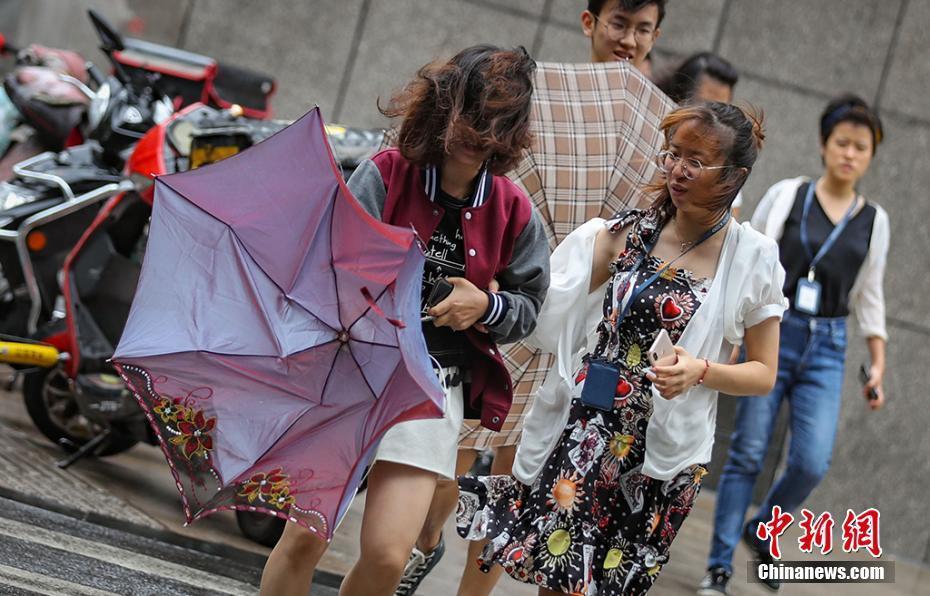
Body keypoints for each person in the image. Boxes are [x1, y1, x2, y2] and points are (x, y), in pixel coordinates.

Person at [456, 102, 785, 595]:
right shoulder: (620, 235)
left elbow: (763, 373)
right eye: (673, 153)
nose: (677, 169)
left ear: (735, 175)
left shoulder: (753, 258)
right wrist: (487, 299)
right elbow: (544, 312)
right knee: (559, 578)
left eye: (695, 161)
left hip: (657, 456)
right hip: (587, 430)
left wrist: (700, 370)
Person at [258, 45, 550, 596]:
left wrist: (484, 306)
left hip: (432, 386)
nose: (474, 131)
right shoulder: (387, 174)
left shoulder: (512, 209)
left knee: (390, 555)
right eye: (467, 112)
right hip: (351, 374)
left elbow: (530, 306)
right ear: (442, 106)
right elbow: (327, 268)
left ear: (510, 132)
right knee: (303, 539)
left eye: (493, 121)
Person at [448, 4, 669, 595]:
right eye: (619, 23)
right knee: (477, 463)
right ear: (588, 21)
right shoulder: (545, 100)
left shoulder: (658, 133)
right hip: (521, 306)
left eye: (643, 29)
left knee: (543, 492)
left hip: (592, 340)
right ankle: (430, 547)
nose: (629, 40)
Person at [700, 94, 889, 595]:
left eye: (861, 147)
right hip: (774, 330)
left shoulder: (875, 221)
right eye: (842, 143)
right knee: (747, 453)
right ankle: (718, 567)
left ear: (871, 156)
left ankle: (762, 529)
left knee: (811, 459)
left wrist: (877, 363)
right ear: (825, 145)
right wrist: (735, 334)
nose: (850, 154)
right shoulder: (789, 194)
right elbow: (747, 261)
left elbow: (870, 295)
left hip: (828, 344)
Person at [658, 52, 747, 218]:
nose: (711, 119)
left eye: (696, 163)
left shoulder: (723, 169)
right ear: (678, 97)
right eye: (703, 107)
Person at [581, 0, 665, 72]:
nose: (629, 42)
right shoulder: (569, 87)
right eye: (618, 25)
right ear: (589, 23)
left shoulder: (654, 91)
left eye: (643, 30)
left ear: (653, 39)